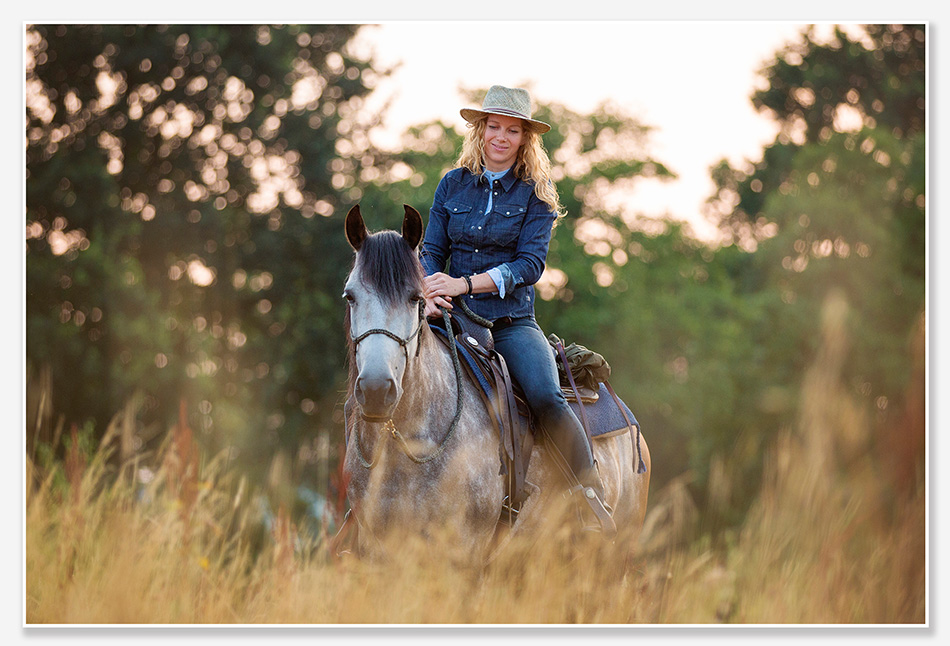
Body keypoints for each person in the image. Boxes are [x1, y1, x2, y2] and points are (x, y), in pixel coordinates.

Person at [420, 85, 615, 536]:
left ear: (525, 138)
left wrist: (465, 282)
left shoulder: (536, 195)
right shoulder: (452, 183)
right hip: (450, 317)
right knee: (394, 366)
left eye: (513, 130)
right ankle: (370, 501)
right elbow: (431, 249)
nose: (501, 137)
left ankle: (591, 496)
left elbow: (529, 265)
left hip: (510, 323)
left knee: (545, 396)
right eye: (494, 127)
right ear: (480, 130)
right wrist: (430, 289)